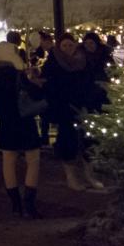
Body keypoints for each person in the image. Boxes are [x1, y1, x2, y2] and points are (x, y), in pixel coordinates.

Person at [0, 40, 44, 218]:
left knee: (8, 161)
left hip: (6, 122)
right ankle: (29, 204)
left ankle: (15, 205)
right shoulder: (17, 73)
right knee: (33, 159)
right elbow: (34, 93)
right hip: (23, 120)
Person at [43, 33, 105, 191]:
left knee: (88, 141)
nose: (68, 48)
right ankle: (71, 178)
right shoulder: (53, 63)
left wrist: (90, 101)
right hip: (64, 109)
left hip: (84, 107)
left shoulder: (83, 60)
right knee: (68, 142)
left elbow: (90, 82)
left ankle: (89, 175)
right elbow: (49, 87)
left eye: (70, 45)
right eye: (64, 45)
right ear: (59, 47)